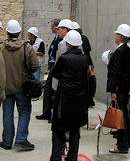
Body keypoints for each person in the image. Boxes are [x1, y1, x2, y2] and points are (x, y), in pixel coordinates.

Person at [49, 30, 89, 161]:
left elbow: (55, 73)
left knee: (58, 130)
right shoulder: (84, 59)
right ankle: (72, 156)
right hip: (78, 99)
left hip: (64, 98)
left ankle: (56, 157)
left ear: (68, 43)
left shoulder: (64, 58)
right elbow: (86, 79)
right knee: (75, 130)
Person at [0, 19, 39, 151]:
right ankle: (21, 139)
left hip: (6, 86)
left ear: (7, 32)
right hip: (22, 86)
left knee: (7, 113)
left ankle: (7, 141)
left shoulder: (1, 47)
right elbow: (35, 66)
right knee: (24, 112)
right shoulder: (26, 47)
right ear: (19, 32)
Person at [106, 24, 130, 154]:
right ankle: (128, 141)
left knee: (120, 117)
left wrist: (113, 91)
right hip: (125, 86)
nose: (114, 36)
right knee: (125, 116)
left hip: (119, 88)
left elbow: (116, 72)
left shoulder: (119, 52)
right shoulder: (127, 50)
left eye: (116, 34)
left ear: (121, 37)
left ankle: (122, 145)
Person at [36, 19, 62, 121]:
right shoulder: (57, 38)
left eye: (52, 27)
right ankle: (47, 112)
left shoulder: (60, 39)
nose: (51, 28)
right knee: (49, 89)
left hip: (55, 66)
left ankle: (51, 113)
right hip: (52, 65)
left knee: (52, 89)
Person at [73, 21, 95, 107]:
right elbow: (88, 51)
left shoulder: (81, 39)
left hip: (84, 63)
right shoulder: (84, 38)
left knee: (86, 82)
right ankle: (89, 100)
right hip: (87, 62)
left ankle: (88, 100)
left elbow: (86, 52)